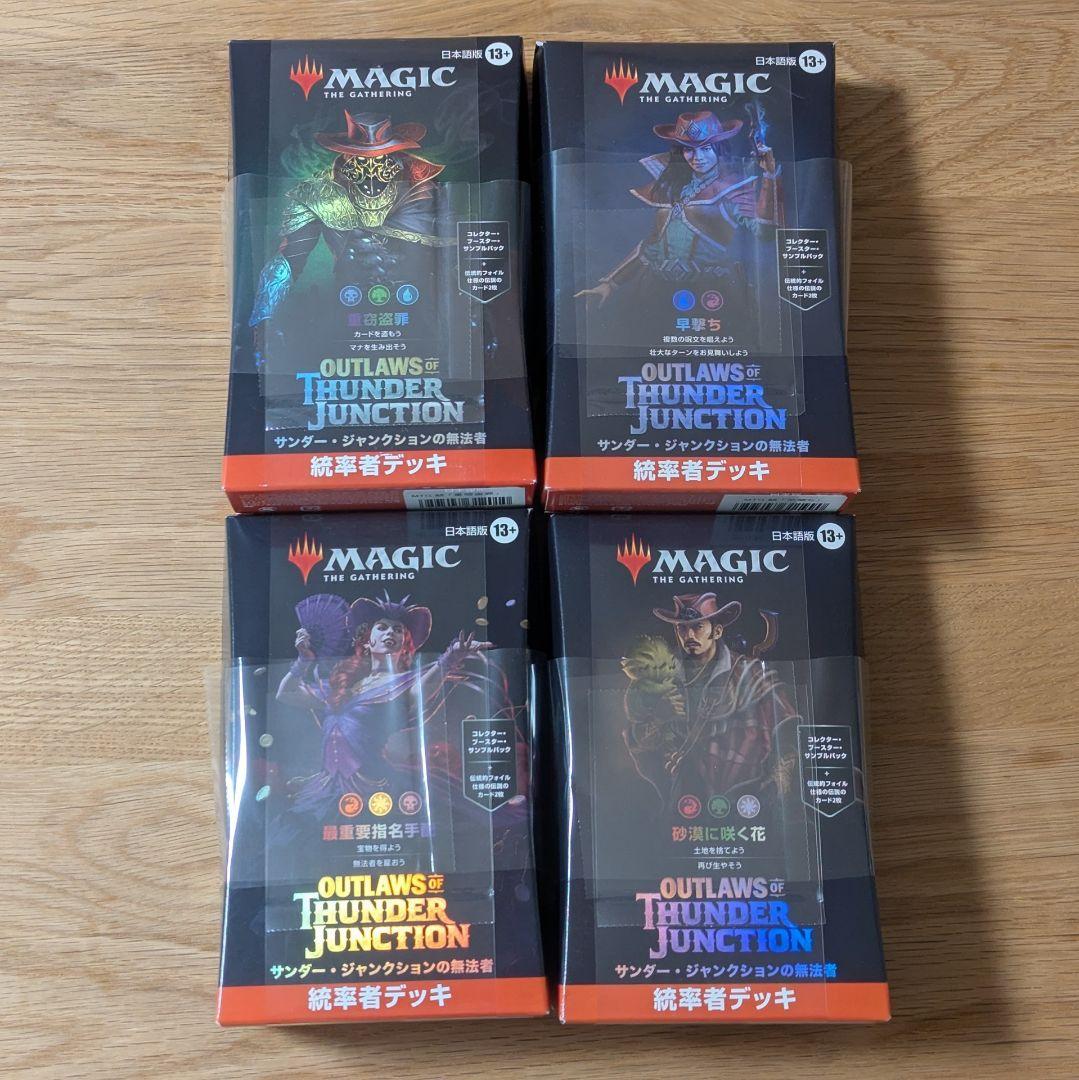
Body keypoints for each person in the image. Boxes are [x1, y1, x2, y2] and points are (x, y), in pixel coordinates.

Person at [622, 592, 793, 811]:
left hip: (746, 796)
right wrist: (659, 716)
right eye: (682, 628)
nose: (689, 635)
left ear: (717, 631)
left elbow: (787, 729)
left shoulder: (748, 673)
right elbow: (637, 740)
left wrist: (778, 782)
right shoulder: (661, 674)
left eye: (698, 626)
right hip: (684, 797)